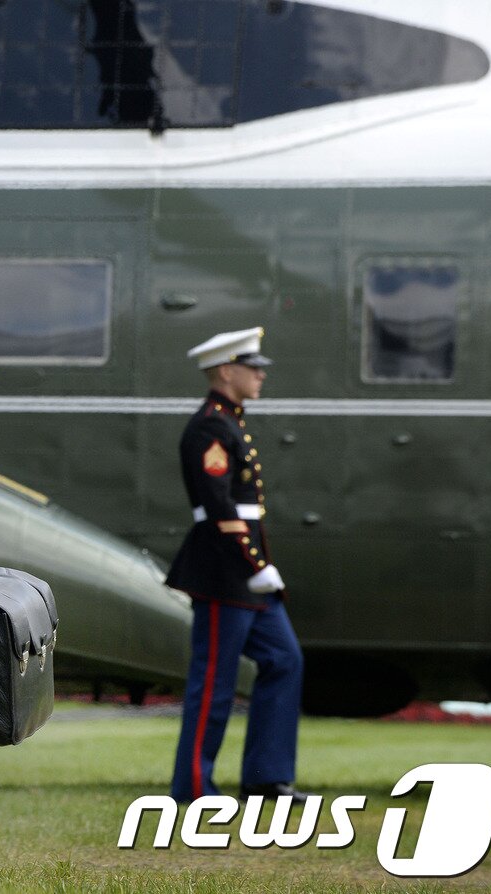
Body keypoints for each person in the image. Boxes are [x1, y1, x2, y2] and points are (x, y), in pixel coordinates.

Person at [166, 327, 308, 804]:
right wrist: (255, 565)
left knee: (285, 660)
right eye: (254, 367)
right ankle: (195, 787)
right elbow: (221, 510)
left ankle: (267, 778)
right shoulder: (211, 426)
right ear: (227, 371)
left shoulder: (231, 422)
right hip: (226, 572)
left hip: (249, 574)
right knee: (214, 683)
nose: (261, 375)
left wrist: (260, 569)